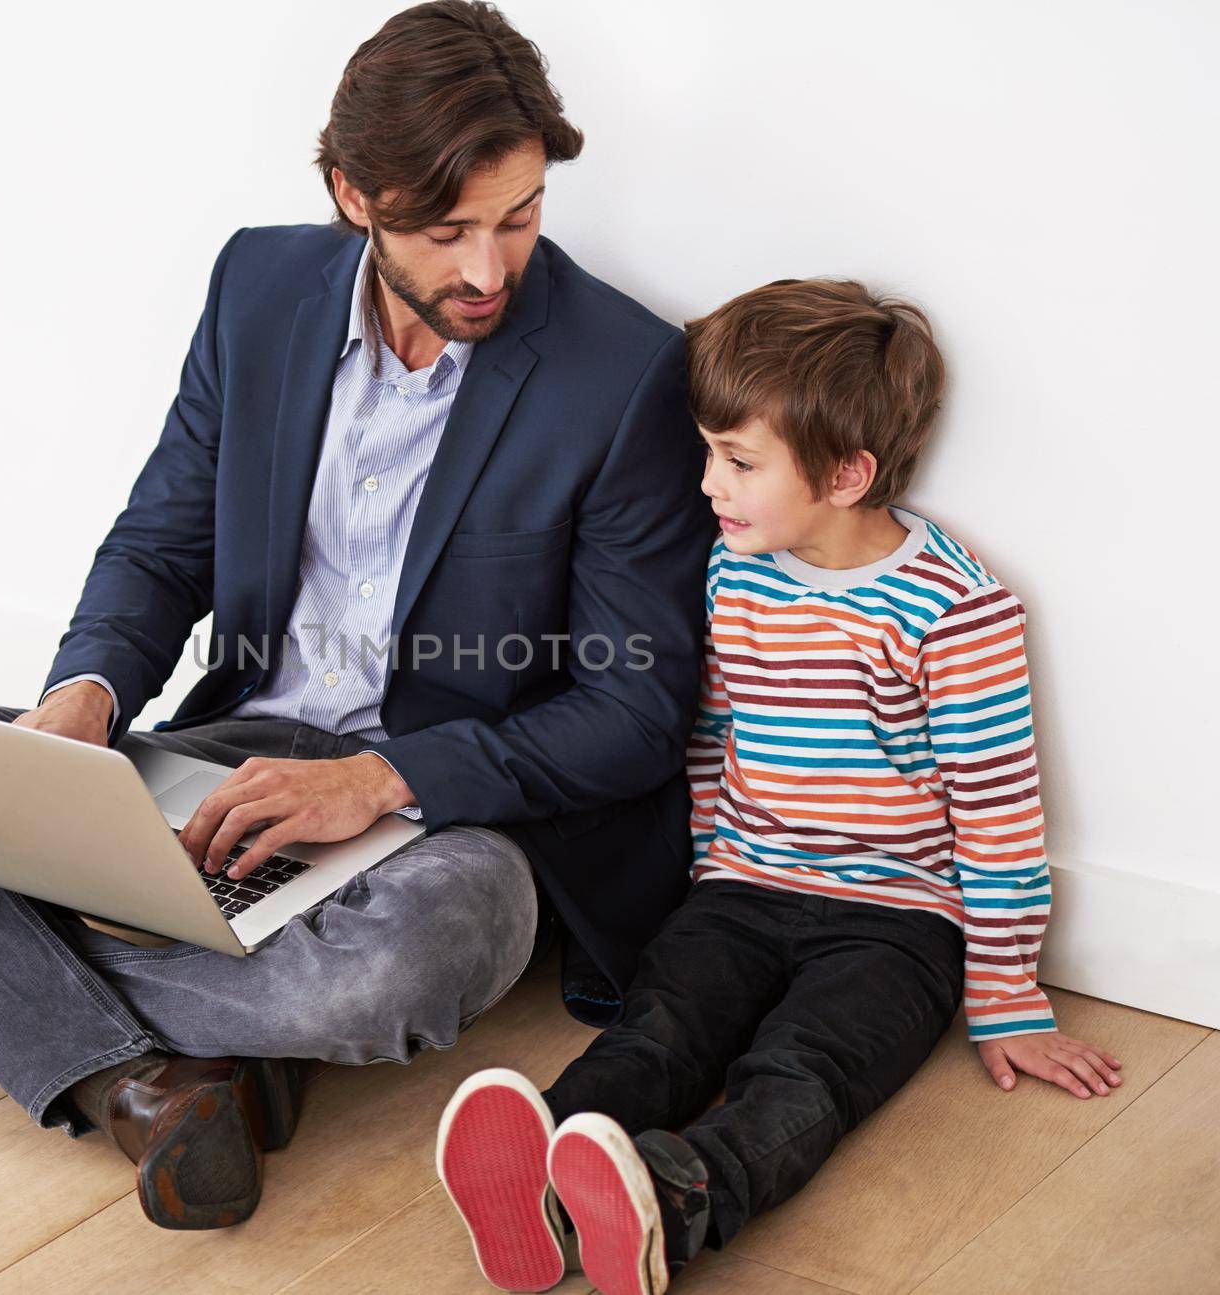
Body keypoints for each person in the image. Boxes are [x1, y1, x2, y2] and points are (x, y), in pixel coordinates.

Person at [0, 0, 715, 1232]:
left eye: (517, 219)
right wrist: (83, 696)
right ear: (354, 193)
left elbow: (631, 712)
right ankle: (139, 1075)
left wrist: (377, 778)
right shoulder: (259, 287)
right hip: (225, 755)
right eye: (446, 227)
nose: (486, 268)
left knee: (443, 945)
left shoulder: (622, 372)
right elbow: (163, 540)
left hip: (436, 815)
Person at [433, 278, 1122, 1293]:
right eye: (709, 449)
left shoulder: (955, 612)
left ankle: (673, 1199)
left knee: (804, 1069)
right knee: (662, 1025)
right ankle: (543, 1165)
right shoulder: (736, 569)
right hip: (742, 887)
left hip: (894, 917)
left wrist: (1006, 988)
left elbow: (996, 807)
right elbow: (715, 730)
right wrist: (711, 863)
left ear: (846, 472)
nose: (709, 481)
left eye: (739, 460)